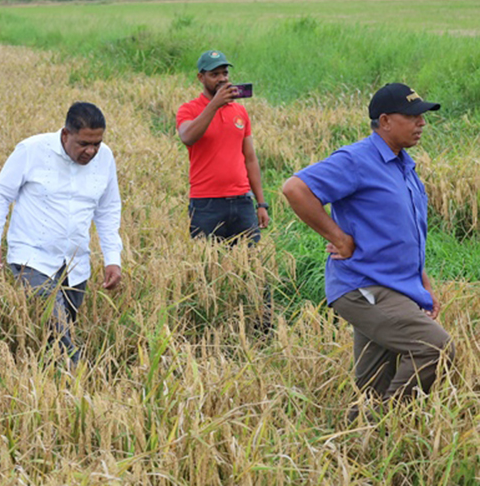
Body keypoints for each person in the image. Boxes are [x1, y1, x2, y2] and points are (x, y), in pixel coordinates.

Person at [282, 83, 454, 419]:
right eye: (413, 116)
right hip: (364, 287)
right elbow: (295, 188)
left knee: (373, 385)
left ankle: (357, 444)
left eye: (422, 116)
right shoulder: (357, 159)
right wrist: (339, 237)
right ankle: (390, 425)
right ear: (386, 121)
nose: (421, 123)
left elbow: (401, 232)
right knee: (434, 347)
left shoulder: (404, 165)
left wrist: (422, 280)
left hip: (395, 285)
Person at [0, 102, 122, 365]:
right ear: (66, 134)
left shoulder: (105, 159)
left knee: (57, 331)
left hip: (75, 264)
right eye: (83, 144)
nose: (91, 151)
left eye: (97, 143)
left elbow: (108, 210)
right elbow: (0, 195)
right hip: (31, 257)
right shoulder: (31, 150)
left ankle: (47, 385)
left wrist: (112, 258)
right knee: (57, 327)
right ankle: (80, 379)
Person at [176, 50, 269, 243]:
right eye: (214, 74)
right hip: (206, 203)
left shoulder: (239, 111)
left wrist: (261, 203)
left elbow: (250, 159)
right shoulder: (189, 109)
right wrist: (214, 105)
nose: (222, 79)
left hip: (242, 200)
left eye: (225, 73)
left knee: (248, 263)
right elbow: (187, 137)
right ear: (200, 77)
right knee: (206, 266)